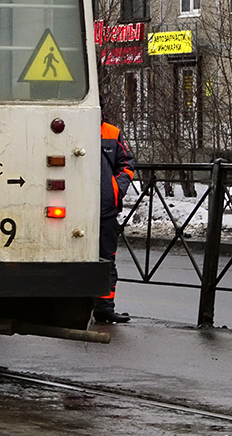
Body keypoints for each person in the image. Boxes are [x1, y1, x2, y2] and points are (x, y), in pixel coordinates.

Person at [95, 119, 136, 323]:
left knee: (106, 258)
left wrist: (116, 190)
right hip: (74, 207)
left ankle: (104, 307)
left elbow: (126, 163)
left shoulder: (111, 132)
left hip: (105, 208)